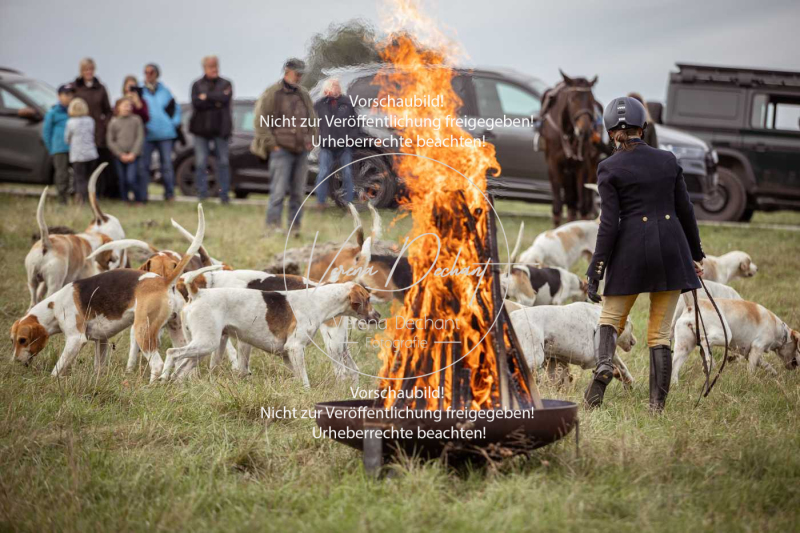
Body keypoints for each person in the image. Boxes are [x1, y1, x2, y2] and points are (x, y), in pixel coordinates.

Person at [584, 96, 705, 412]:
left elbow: (609, 225)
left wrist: (595, 271)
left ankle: (602, 371)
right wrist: (696, 254)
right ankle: (656, 407)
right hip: (671, 250)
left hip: (630, 253)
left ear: (611, 132)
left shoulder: (608, 167)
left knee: (610, 319)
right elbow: (685, 210)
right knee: (660, 333)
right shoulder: (667, 159)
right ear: (644, 127)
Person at [251, 58, 317, 236]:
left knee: (298, 193)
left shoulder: (303, 94)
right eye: (297, 73)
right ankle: (273, 228)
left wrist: (311, 139)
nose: (300, 77)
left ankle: (294, 229)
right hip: (281, 150)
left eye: (302, 73)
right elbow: (260, 120)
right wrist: (272, 145)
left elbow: (312, 119)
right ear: (287, 71)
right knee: (278, 193)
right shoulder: (273, 93)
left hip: (301, 151)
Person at [189, 55, 233, 202]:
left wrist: (206, 96)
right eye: (211, 66)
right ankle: (202, 194)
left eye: (216, 66)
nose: (214, 69)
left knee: (223, 162)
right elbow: (197, 103)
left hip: (221, 130)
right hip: (201, 130)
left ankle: (224, 195)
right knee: (201, 162)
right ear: (205, 68)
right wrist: (216, 100)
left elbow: (225, 99)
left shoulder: (226, 83)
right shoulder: (197, 84)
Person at [72, 58, 115, 197]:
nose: (88, 72)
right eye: (85, 69)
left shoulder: (101, 88)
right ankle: (80, 195)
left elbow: (108, 110)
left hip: (97, 133)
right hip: (80, 133)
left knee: (95, 167)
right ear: (81, 71)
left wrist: (104, 124)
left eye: (90, 69)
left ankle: (96, 194)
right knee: (80, 168)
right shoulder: (75, 87)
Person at [313, 78, 358, 208]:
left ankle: (348, 204)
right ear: (326, 89)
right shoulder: (319, 104)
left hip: (344, 146)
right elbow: (312, 123)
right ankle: (320, 203)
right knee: (323, 173)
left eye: (337, 85)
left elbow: (355, 125)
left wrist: (351, 139)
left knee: (348, 173)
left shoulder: (347, 103)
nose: (335, 87)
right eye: (332, 85)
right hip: (326, 146)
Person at [141, 63, 181, 202]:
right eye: (146, 72)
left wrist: (173, 123)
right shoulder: (140, 91)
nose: (148, 74)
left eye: (151, 72)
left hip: (165, 133)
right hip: (148, 133)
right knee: (145, 165)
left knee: (167, 165)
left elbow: (176, 109)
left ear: (157, 74)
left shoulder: (165, 91)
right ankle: (143, 195)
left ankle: (169, 194)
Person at [107, 98, 145, 204]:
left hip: (133, 155)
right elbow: (110, 140)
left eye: (129, 105)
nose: (127, 108)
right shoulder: (113, 122)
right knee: (122, 179)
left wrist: (133, 153)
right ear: (118, 107)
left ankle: (139, 199)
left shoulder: (136, 120)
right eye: (124, 105)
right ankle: (125, 200)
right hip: (119, 156)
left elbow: (140, 137)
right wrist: (120, 154)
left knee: (131, 178)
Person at [42, 84, 75, 204]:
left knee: (75, 175)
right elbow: (46, 132)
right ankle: (62, 199)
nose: (69, 97)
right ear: (59, 96)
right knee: (62, 175)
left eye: (71, 94)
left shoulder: (74, 111)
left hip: (74, 148)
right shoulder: (53, 112)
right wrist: (51, 148)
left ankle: (76, 197)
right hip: (59, 148)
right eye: (66, 94)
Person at [64, 97, 98, 204]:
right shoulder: (90, 121)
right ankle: (91, 198)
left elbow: (67, 138)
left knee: (79, 179)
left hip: (78, 155)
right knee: (90, 178)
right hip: (91, 154)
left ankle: (81, 200)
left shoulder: (70, 122)